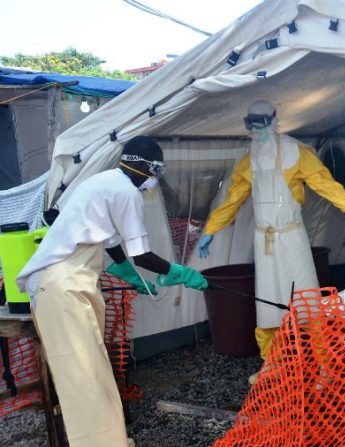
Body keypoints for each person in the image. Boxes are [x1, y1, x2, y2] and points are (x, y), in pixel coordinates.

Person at [15, 135, 208, 447]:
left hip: (66, 284)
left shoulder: (103, 181)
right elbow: (141, 253)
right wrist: (178, 272)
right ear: (146, 167)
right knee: (84, 380)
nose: (154, 182)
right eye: (156, 172)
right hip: (61, 287)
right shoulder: (127, 191)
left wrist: (125, 272)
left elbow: (112, 241)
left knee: (95, 374)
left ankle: (111, 440)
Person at [197, 100, 345, 381]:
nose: (256, 128)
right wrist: (210, 230)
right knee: (266, 302)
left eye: (261, 122)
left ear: (274, 121)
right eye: (251, 123)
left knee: (307, 298)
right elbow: (234, 198)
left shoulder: (296, 153)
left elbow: (325, 183)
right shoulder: (248, 160)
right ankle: (272, 362)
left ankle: (325, 363)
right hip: (264, 242)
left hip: (291, 239)